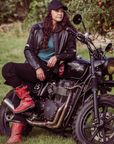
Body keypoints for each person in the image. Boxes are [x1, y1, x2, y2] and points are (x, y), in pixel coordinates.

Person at [2, 0, 76, 143]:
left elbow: (72, 53)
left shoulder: (67, 31)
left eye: (62, 11)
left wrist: (57, 56)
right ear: (50, 13)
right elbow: (28, 49)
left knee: (8, 69)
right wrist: (36, 67)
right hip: (34, 65)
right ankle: (16, 136)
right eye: (57, 11)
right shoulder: (37, 28)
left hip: (48, 68)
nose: (60, 13)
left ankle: (26, 101)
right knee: (19, 89)